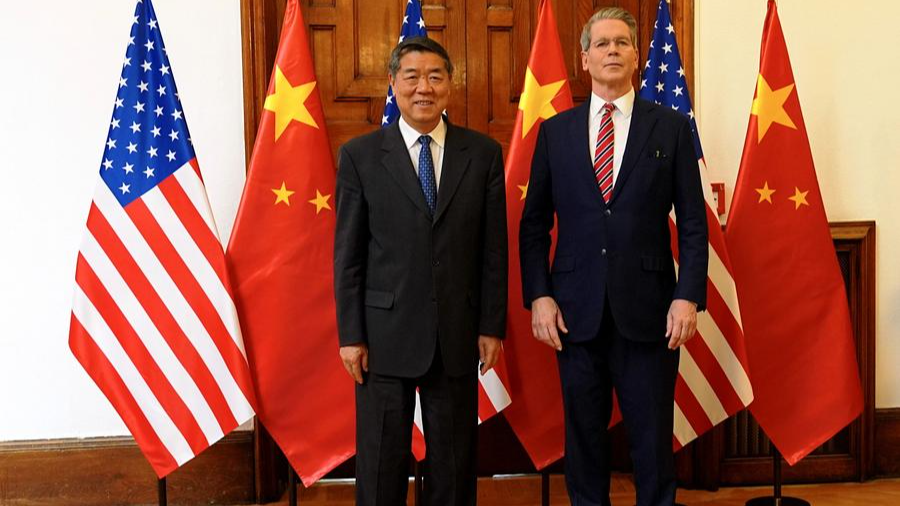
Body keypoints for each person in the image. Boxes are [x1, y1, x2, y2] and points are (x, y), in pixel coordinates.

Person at [519, 7, 708, 506]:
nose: (612, 51)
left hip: (650, 312)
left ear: (638, 57)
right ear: (584, 58)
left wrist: (687, 297)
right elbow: (533, 224)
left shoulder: (668, 127)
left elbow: (692, 223)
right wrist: (539, 295)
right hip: (573, 314)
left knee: (651, 444)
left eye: (622, 43)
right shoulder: (555, 132)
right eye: (602, 44)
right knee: (583, 444)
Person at [333, 37, 508, 506]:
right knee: (381, 463)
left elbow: (494, 251)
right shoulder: (361, 157)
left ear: (451, 84)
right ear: (394, 84)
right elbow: (348, 255)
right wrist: (351, 334)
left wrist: (492, 326)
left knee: (453, 465)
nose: (423, 88)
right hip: (382, 337)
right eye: (411, 77)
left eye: (435, 77)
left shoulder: (484, 154)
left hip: (456, 333)